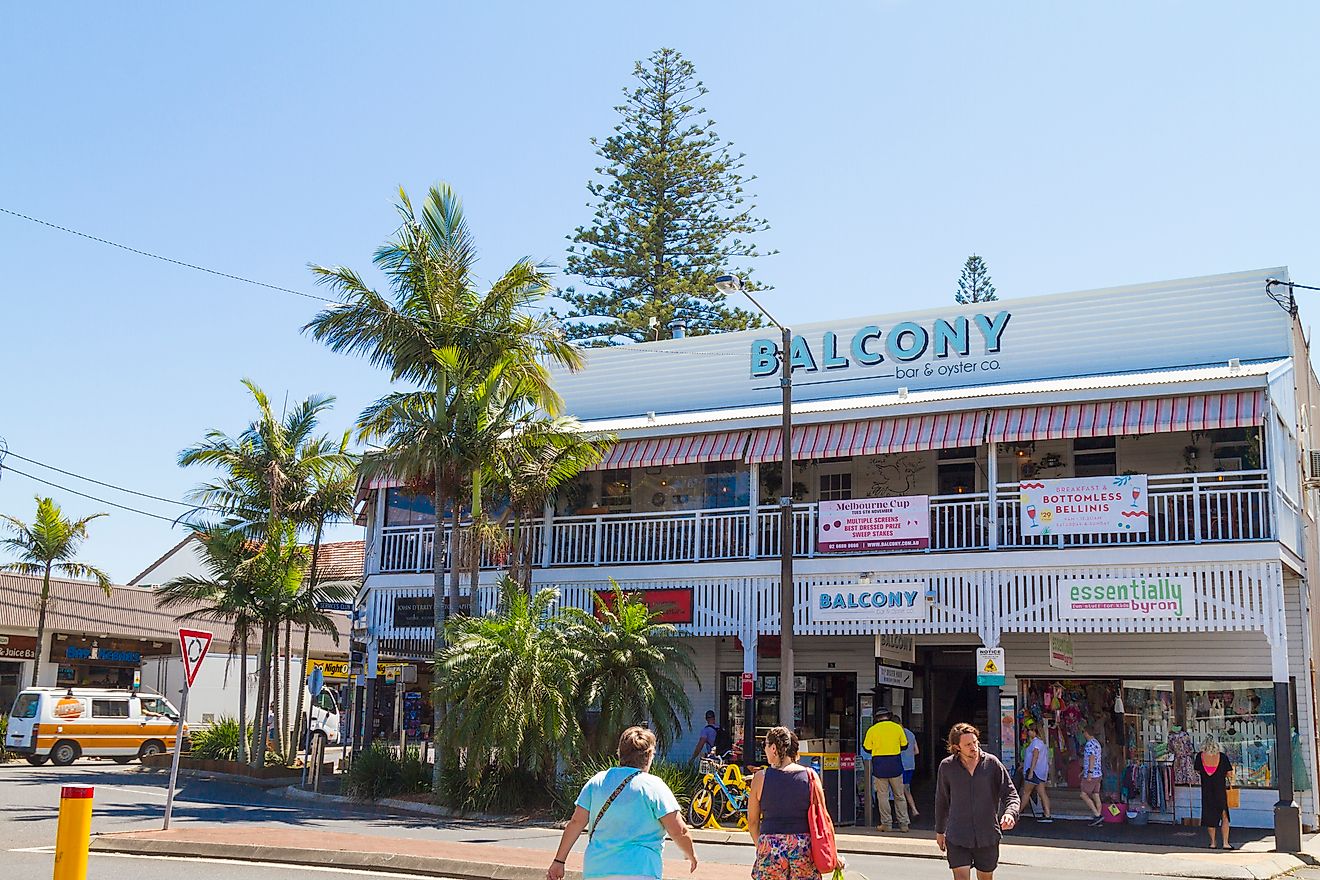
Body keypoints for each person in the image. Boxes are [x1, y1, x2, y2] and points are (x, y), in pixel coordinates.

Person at [547, 726, 698, 880]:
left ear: (620, 753)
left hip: (597, 870)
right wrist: (690, 854)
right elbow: (679, 830)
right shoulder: (654, 786)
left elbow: (576, 822)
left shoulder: (597, 782)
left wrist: (559, 861)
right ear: (650, 755)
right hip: (640, 870)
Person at [935, 722, 1020, 880]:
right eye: (968, 745)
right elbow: (942, 800)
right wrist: (940, 830)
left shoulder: (992, 764)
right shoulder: (947, 767)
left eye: (975, 742)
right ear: (957, 747)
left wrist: (1010, 813)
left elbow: (1011, 794)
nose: (973, 747)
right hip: (957, 835)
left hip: (987, 834)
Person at [747, 726, 828, 880]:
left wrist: (762, 845)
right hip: (803, 847)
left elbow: (752, 821)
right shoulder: (811, 776)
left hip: (770, 845)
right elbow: (822, 818)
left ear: (773, 748)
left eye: (765, 745)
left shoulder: (760, 778)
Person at [863, 707, 910, 832]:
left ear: (877, 718)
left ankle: (886, 824)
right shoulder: (897, 728)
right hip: (895, 763)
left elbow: (867, 747)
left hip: (879, 765)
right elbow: (904, 745)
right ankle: (904, 824)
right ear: (889, 716)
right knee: (899, 795)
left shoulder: (872, 730)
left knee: (882, 796)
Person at [1196, 738, 1234, 850]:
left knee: (1209, 816)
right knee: (1224, 816)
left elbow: (1197, 770)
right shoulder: (1222, 757)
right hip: (1220, 790)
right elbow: (1230, 773)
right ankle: (1226, 843)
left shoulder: (1200, 756)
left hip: (1207, 790)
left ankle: (1213, 842)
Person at [1019, 725, 1052, 822]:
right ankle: (1047, 814)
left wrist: (1031, 771)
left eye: (1030, 731)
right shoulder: (1041, 743)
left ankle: (1017, 813)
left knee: (1026, 792)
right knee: (1042, 793)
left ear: (1034, 731)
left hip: (1034, 772)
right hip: (1041, 772)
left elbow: (1035, 756)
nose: (1028, 733)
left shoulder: (1036, 743)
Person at [1078, 724, 1103, 826]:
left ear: (1087, 732)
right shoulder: (1097, 743)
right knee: (1096, 795)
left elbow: (1091, 758)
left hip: (1092, 774)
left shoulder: (1089, 744)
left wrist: (1089, 773)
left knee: (1083, 794)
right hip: (1098, 773)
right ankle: (1098, 816)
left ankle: (1097, 815)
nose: (1083, 734)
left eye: (1083, 732)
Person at [898, 713, 921, 820]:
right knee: (906, 788)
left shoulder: (897, 734)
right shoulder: (911, 734)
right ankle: (912, 809)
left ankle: (909, 811)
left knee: (902, 790)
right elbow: (916, 751)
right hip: (911, 765)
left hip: (900, 765)